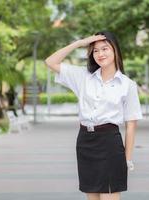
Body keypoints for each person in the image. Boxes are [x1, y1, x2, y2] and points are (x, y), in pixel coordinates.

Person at [45, 31, 143, 200]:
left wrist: (127, 160)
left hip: (110, 143)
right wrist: (80, 42)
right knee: (92, 197)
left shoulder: (128, 85)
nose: (100, 54)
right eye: (95, 50)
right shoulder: (83, 76)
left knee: (108, 196)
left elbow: (131, 124)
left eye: (104, 49)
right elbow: (50, 61)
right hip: (85, 142)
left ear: (115, 50)